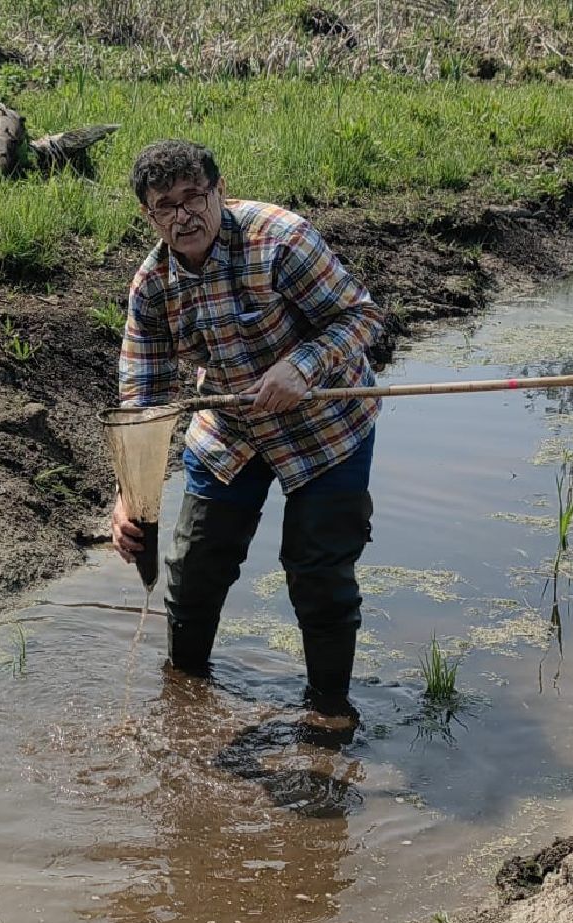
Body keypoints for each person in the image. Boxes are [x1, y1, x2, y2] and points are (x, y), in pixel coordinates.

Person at [110, 139, 383, 720]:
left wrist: (301, 367)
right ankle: (186, 706)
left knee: (318, 570)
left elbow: (360, 315)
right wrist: (129, 498)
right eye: (166, 206)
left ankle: (329, 713)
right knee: (194, 569)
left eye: (194, 198)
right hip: (232, 427)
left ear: (219, 192)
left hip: (326, 421)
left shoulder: (280, 239)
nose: (183, 216)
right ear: (149, 215)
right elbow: (144, 403)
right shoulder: (153, 286)